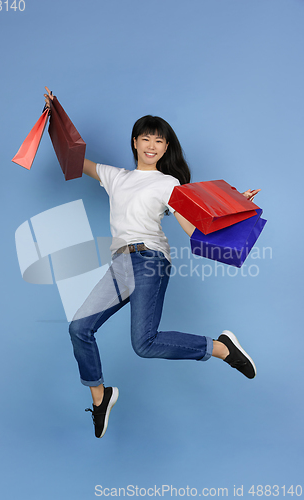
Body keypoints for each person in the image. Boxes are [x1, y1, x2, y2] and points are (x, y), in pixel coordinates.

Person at [44, 88, 261, 439]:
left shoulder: (168, 183)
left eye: (159, 142)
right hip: (119, 264)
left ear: (165, 148)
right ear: (135, 142)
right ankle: (101, 399)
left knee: (144, 344)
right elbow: (72, 159)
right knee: (78, 328)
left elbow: (192, 226)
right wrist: (54, 115)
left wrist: (235, 203)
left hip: (149, 260)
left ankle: (221, 348)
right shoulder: (115, 177)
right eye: (146, 138)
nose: (152, 145)